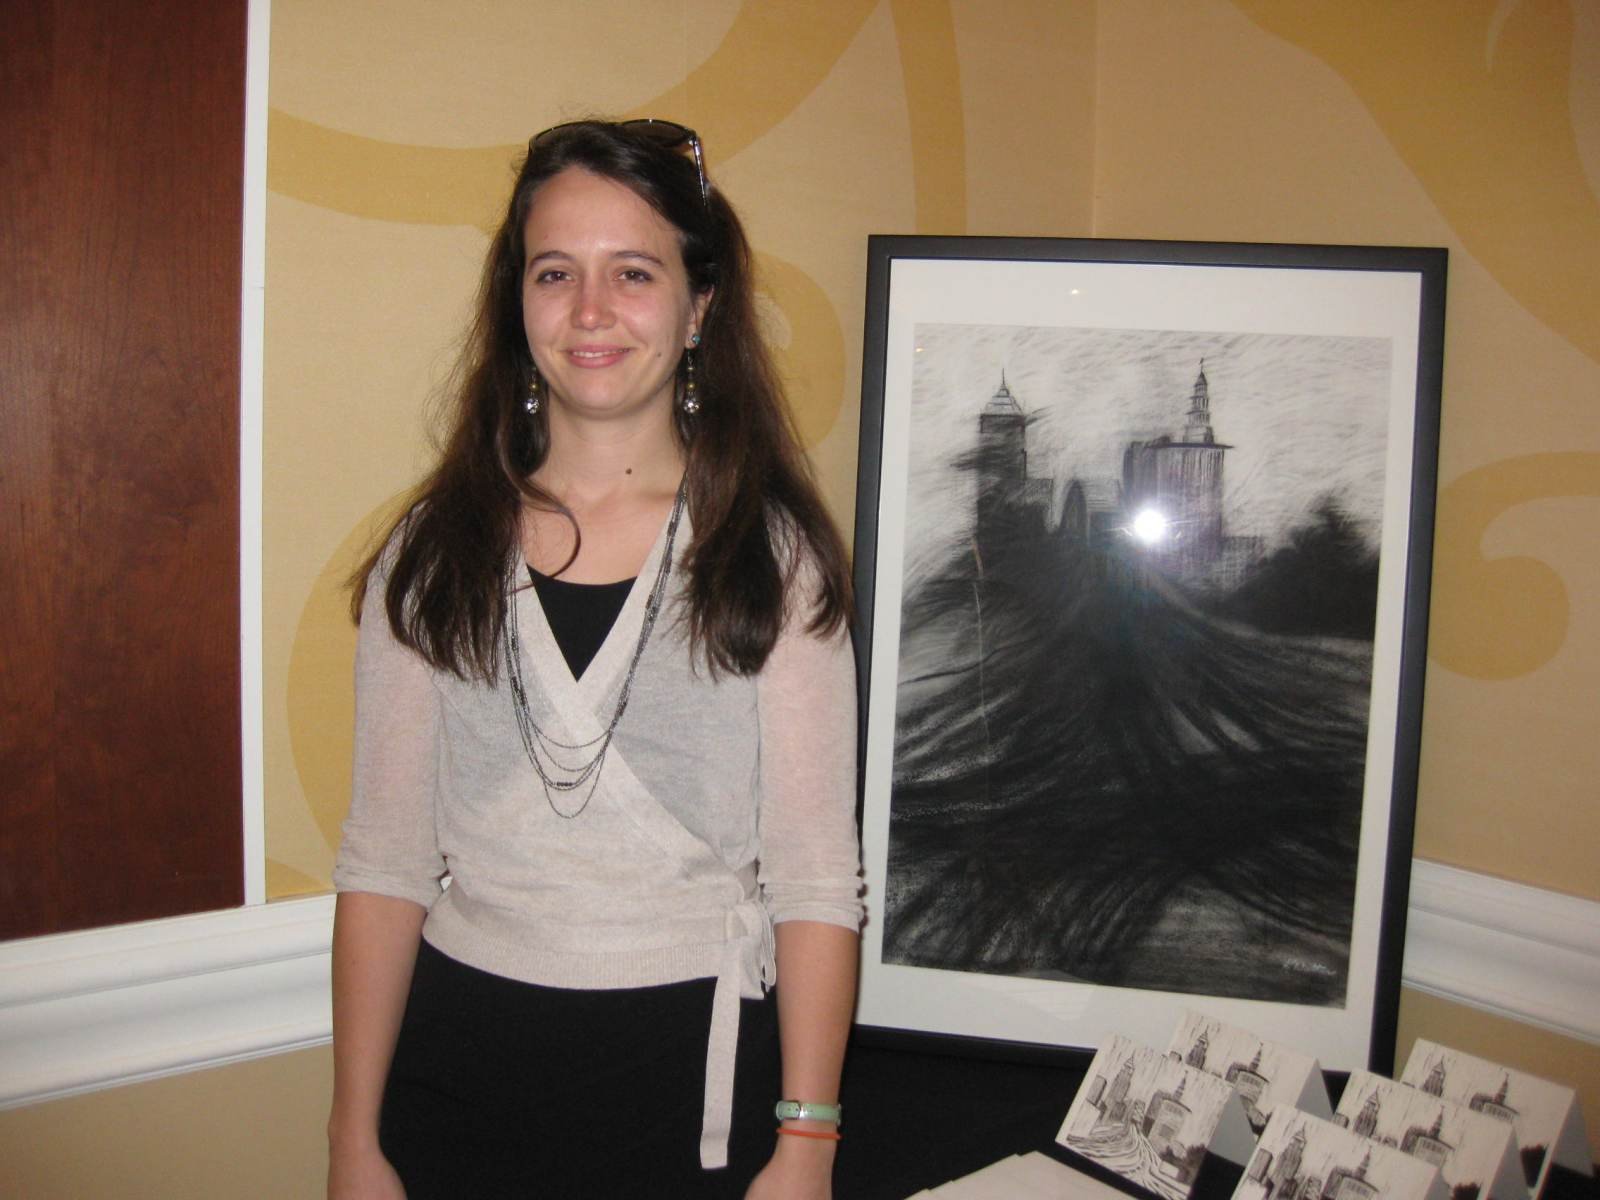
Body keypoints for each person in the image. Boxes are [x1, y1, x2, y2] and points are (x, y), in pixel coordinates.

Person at [326, 119, 863, 1199]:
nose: (589, 310)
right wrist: (352, 1136)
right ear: (516, 302)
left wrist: (807, 1144)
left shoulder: (771, 561)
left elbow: (815, 878)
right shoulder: (432, 555)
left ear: (699, 305)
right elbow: (384, 866)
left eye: (634, 272)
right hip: (455, 1079)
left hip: (694, 1093)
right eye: (554, 272)